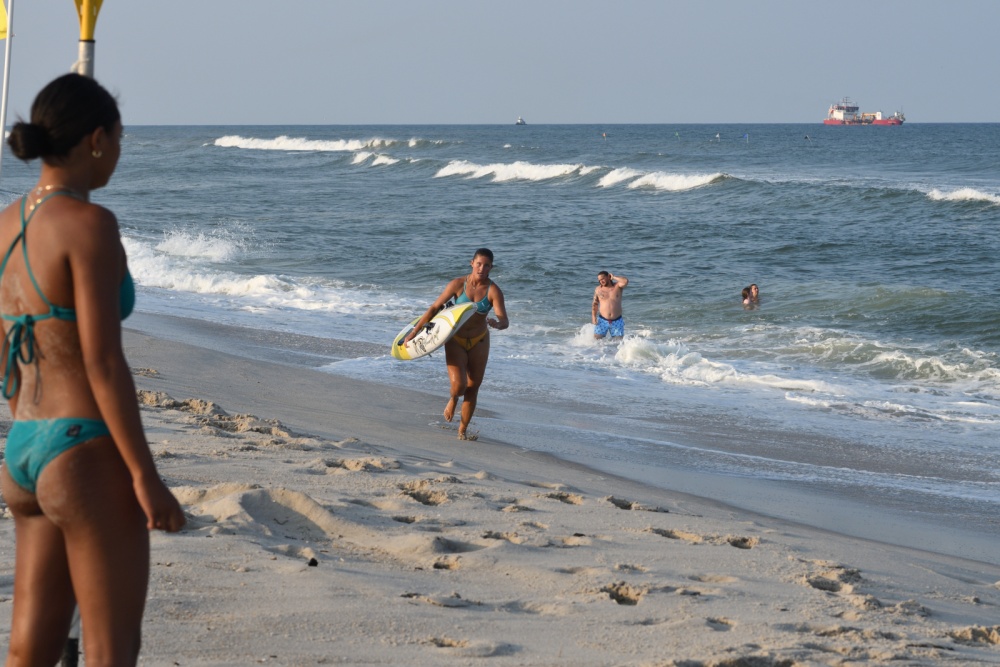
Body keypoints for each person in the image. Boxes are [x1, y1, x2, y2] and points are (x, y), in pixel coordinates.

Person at [0, 73, 185, 666]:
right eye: (120, 140)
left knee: (28, 651)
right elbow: (103, 363)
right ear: (97, 139)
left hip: (24, 446)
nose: (120, 153)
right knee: (111, 650)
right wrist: (144, 476)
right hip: (83, 448)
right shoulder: (90, 225)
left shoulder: (4, 225)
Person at [405, 248, 508, 440]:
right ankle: (453, 398)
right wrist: (413, 333)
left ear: (491, 268)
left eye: (486, 265)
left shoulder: (493, 291)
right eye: (479, 264)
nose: (482, 268)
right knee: (459, 386)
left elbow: (504, 320)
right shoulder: (458, 284)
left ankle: (462, 431)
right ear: (472, 263)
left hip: (479, 340)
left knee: (473, 387)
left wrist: (497, 323)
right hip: (456, 339)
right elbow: (435, 308)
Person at [592, 270, 628, 339]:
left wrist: (614, 277)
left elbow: (625, 281)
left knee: (618, 342)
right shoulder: (598, 289)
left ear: (608, 277)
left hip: (617, 320)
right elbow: (595, 304)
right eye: (599, 280)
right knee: (596, 341)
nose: (601, 281)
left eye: (602, 279)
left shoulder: (617, 286)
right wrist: (594, 317)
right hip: (602, 320)